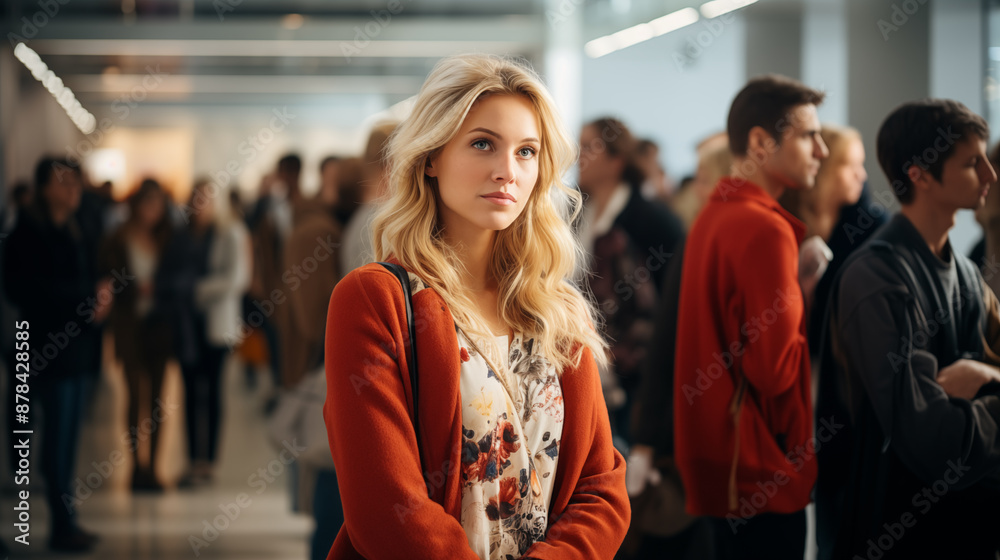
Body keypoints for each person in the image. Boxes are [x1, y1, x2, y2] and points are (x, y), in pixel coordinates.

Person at [322, 53, 629, 559]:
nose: (507, 171)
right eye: (483, 144)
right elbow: (385, 510)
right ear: (431, 158)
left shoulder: (557, 308)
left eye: (527, 152)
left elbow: (602, 490)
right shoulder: (377, 299)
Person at [815, 99, 1000, 560]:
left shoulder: (967, 275)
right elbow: (937, 441)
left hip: (966, 531)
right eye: (971, 163)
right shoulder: (876, 279)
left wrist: (987, 379)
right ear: (919, 174)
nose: (989, 177)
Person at [673, 74, 828, 560]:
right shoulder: (766, 228)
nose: (820, 150)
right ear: (762, 141)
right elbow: (774, 369)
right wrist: (803, 297)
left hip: (719, 461)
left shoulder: (714, 213)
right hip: (760, 467)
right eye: (807, 135)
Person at [3, 158, 106, 552]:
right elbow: (24, 291)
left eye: (76, 183)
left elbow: (88, 278)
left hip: (77, 347)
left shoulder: (78, 230)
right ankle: (60, 523)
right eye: (64, 182)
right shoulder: (27, 233)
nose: (72, 190)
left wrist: (98, 299)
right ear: (45, 187)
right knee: (53, 439)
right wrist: (84, 299)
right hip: (45, 346)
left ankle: (66, 520)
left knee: (68, 439)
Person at [576, 117, 684, 448]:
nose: (578, 156)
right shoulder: (578, 213)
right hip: (587, 364)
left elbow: (673, 298)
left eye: (588, 148)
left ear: (616, 159)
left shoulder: (652, 219)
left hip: (638, 372)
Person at [101, 179, 177, 491]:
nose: (152, 210)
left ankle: (155, 467)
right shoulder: (118, 237)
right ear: (136, 204)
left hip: (159, 326)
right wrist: (132, 288)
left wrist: (161, 289)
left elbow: (177, 276)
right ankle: (136, 465)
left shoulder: (168, 237)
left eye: (158, 203)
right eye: (147, 203)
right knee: (134, 395)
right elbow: (106, 277)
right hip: (129, 324)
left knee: (158, 401)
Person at [176, 179, 251, 487]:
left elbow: (238, 279)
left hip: (218, 325)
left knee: (213, 393)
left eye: (206, 199)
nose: (200, 205)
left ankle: (208, 462)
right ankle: (193, 459)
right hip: (187, 325)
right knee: (190, 393)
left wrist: (197, 290)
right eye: (196, 199)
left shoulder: (230, 232)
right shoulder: (184, 235)